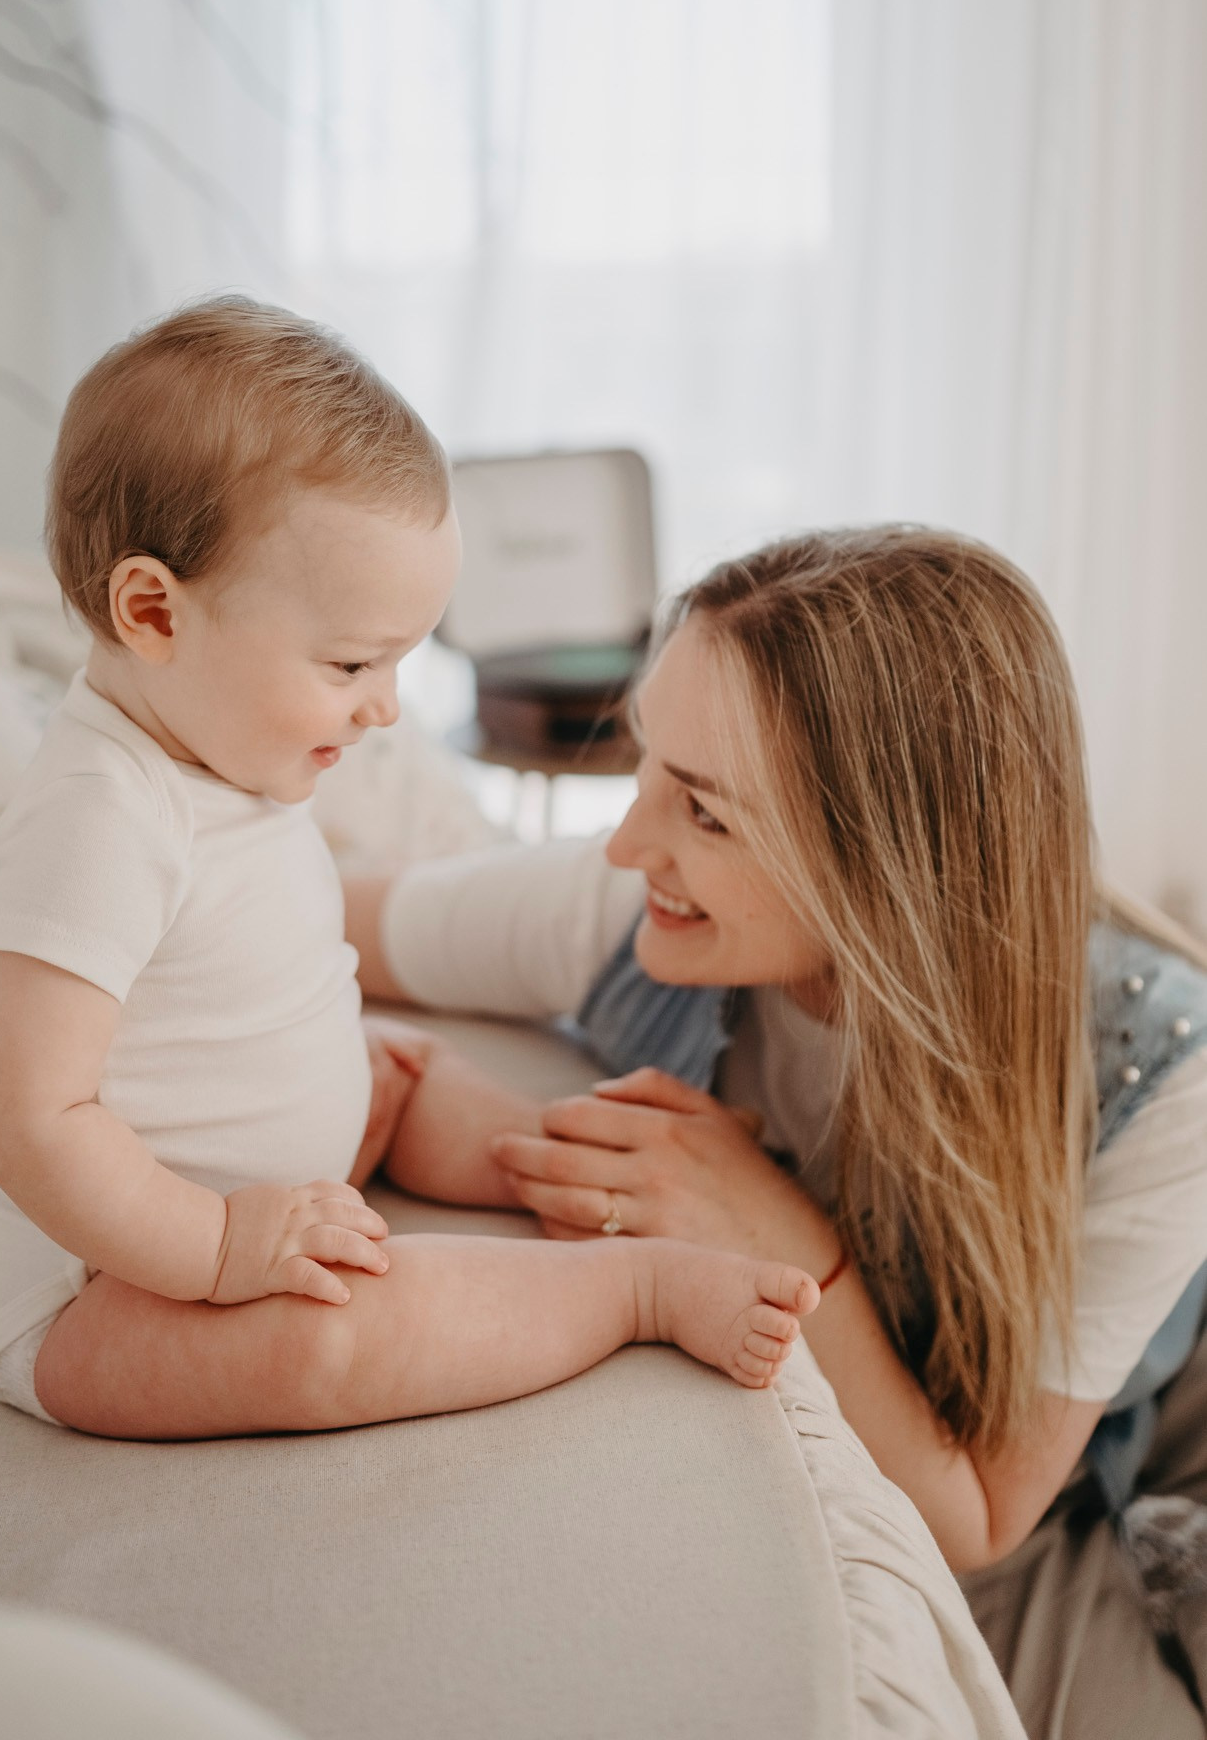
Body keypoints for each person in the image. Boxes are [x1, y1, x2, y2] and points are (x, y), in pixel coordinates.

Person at [342, 526, 1207, 1740]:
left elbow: (980, 1516)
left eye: (702, 810)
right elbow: (310, 925)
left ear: (890, 865)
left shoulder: (1161, 1079)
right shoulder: (627, 904)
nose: (627, 842)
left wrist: (788, 1239)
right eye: (649, 761)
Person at [0, 297, 819, 1443]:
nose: (385, 705)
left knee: (404, 1068)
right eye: (352, 660)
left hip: (279, 1169)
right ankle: (636, 1286)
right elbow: (21, 1110)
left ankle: (598, 1170)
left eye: (398, 659)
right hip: (99, 1286)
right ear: (153, 610)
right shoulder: (98, 819)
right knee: (324, 1340)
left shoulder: (212, 745)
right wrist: (219, 1249)